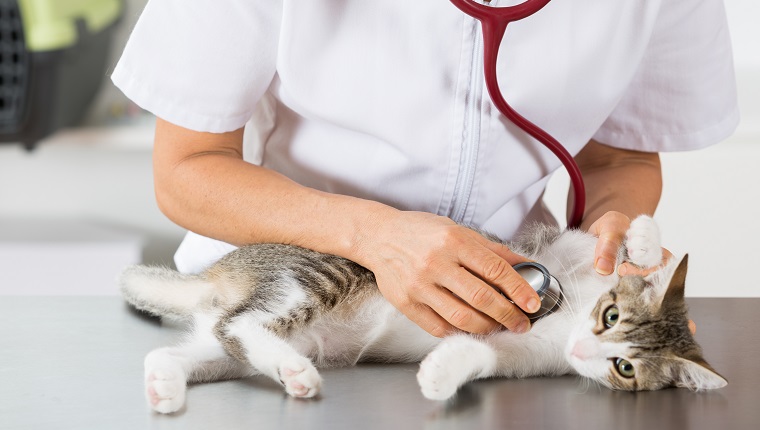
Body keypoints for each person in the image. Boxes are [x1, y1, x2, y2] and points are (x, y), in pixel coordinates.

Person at [112, 0, 737, 337]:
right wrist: (379, 238)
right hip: (278, 312)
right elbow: (187, 169)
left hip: (499, 316)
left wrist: (612, 227)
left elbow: (619, 158)